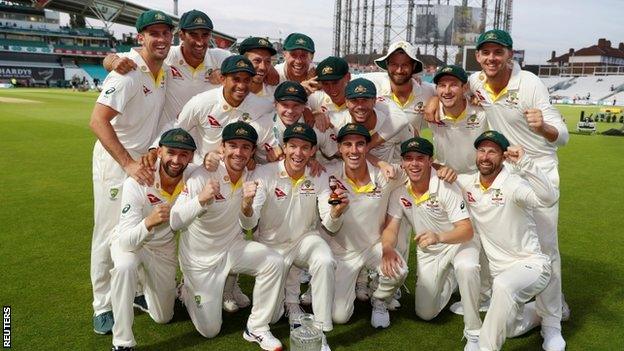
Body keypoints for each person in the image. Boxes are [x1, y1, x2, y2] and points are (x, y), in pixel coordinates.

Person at [426, 29, 569, 351]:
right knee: (491, 234)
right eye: (485, 53)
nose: (491, 58)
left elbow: (562, 136)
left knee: (546, 249)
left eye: (498, 52)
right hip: (503, 168)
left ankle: (551, 322)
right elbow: (448, 88)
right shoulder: (475, 81)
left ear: (510, 55)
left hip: (537, 171)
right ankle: (491, 296)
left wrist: (542, 127)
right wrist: (435, 98)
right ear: (478, 57)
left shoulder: (530, 83)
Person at [88, 10, 173, 335]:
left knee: (139, 226)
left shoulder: (161, 71)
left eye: (166, 33)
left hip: (143, 163)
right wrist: (127, 163)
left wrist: (150, 152)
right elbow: (97, 121)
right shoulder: (127, 71)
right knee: (109, 233)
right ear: (140, 37)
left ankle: (136, 292)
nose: (161, 39)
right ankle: (102, 305)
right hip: (116, 162)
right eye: (154, 33)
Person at [170, 122, 285, 350]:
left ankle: (257, 327)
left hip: (232, 248)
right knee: (210, 331)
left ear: (252, 152)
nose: (238, 152)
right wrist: (201, 200)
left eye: (245, 147)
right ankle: (187, 289)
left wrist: (246, 205)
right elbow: (175, 221)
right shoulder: (203, 174)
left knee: (274, 262)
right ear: (222, 147)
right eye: (232, 145)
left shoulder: (252, 176)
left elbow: (249, 225)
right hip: (199, 261)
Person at [456, 131, 557, 351]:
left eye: (492, 151)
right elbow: (440, 175)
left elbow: (549, 199)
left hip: (531, 266)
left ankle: (485, 348)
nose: (485, 156)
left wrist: (526, 163)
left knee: (503, 287)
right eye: (481, 150)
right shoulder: (469, 183)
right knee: (511, 328)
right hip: (501, 273)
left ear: (503, 157)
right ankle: (541, 313)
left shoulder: (514, 185)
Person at [240, 122, 335, 346]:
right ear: (285, 146)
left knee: (325, 259)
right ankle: (281, 308)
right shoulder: (264, 174)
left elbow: (329, 223)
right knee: (272, 316)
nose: (298, 153)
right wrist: (246, 205)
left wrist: (337, 212)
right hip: (272, 248)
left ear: (313, 151)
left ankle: (320, 333)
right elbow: (250, 222)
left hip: (304, 240)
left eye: (305, 148)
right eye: (293, 146)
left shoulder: (318, 176)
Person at [382, 137, 480, 350]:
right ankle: (450, 279)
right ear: (403, 162)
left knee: (467, 267)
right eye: (409, 158)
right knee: (425, 313)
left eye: (420, 158)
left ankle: (473, 333)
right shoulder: (400, 191)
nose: (414, 164)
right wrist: (388, 248)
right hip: (430, 250)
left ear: (430, 161)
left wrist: (439, 236)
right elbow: (390, 228)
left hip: (459, 243)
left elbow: (466, 230)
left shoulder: (445, 185)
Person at [110, 128, 197, 351]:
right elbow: (127, 242)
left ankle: (144, 288)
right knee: (125, 267)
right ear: (159, 152)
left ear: (191, 157)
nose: (176, 160)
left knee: (163, 317)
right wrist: (149, 222)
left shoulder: (194, 177)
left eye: (184, 154)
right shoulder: (138, 181)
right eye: (171, 152)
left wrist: (215, 159)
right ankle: (122, 342)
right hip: (129, 242)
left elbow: (222, 166)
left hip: (163, 248)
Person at [318, 123, 407, 329]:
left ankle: (379, 300)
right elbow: (330, 226)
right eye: (347, 144)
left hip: (374, 246)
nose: (354, 150)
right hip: (343, 253)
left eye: (360, 144)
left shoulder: (384, 174)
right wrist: (336, 212)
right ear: (339, 148)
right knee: (339, 317)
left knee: (400, 269)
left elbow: (415, 170)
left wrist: (441, 168)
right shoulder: (328, 176)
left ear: (367, 148)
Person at [104, 10, 232, 130]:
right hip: (171, 143)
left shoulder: (222, 58)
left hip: (207, 141)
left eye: (205, 35)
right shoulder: (165, 55)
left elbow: (248, 70)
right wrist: (114, 62)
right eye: (193, 35)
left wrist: (226, 73)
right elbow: (112, 59)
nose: (200, 42)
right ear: (181, 35)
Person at [174, 55, 276, 164]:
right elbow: (176, 133)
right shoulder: (200, 103)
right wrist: (197, 160)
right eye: (236, 79)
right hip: (204, 170)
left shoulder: (264, 107)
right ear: (223, 79)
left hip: (242, 174)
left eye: (246, 80)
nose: (241, 86)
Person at [360, 40, 435, 134]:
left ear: (414, 66)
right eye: (394, 64)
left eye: (405, 65)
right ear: (387, 65)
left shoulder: (428, 90)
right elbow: (343, 80)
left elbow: (453, 94)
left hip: (411, 147)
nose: (399, 70)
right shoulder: (373, 85)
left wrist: (435, 99)